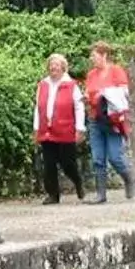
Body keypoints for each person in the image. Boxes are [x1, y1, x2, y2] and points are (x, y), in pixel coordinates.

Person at [83, 43, 135, 202]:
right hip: (95, 118)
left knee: (115, 157)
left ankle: (128, 178)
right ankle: (101, 194)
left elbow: (124, 94)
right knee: (98, 158)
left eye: (95, 55)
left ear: (104, 55)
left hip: (111, 119)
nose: (92, 59)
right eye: (92, 56)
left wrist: (104, 94)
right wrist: (86, 97)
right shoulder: (91, 74)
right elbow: (88, 92)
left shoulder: (116, 71)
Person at [33, 53, 87, 203]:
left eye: (56, 65)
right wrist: (36, 127)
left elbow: (79, 107)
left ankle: (78, 181)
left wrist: (80, 128)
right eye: (51, 65)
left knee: (67, 163)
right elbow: (38, 107)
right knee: (49, 164)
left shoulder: (71, 85)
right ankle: (53, 195)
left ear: (63, 67)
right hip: (47, 130)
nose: (53, 67)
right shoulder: (42, 84)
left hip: (65, 130)